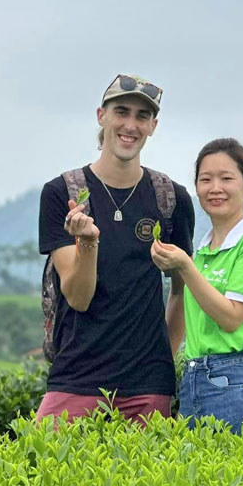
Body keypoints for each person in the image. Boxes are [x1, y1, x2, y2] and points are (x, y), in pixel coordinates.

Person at [36, 74, 195, 426]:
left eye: (141, 116)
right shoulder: (63, 194)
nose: (130, 125)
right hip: (75, 377)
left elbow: (182, 289)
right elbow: (78, 298)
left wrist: (161, 361)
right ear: (101, 116)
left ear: (153, 126)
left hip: (148, 386)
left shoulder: (172, 199)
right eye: (121, 111)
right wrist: (88, 242)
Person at [150, 138, 243, 434]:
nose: (215, 188)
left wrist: (184, 266)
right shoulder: (206, 248)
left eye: (226, 178)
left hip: (238, 379)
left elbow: (231, 317)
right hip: (196, 377)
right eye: (205, 179)